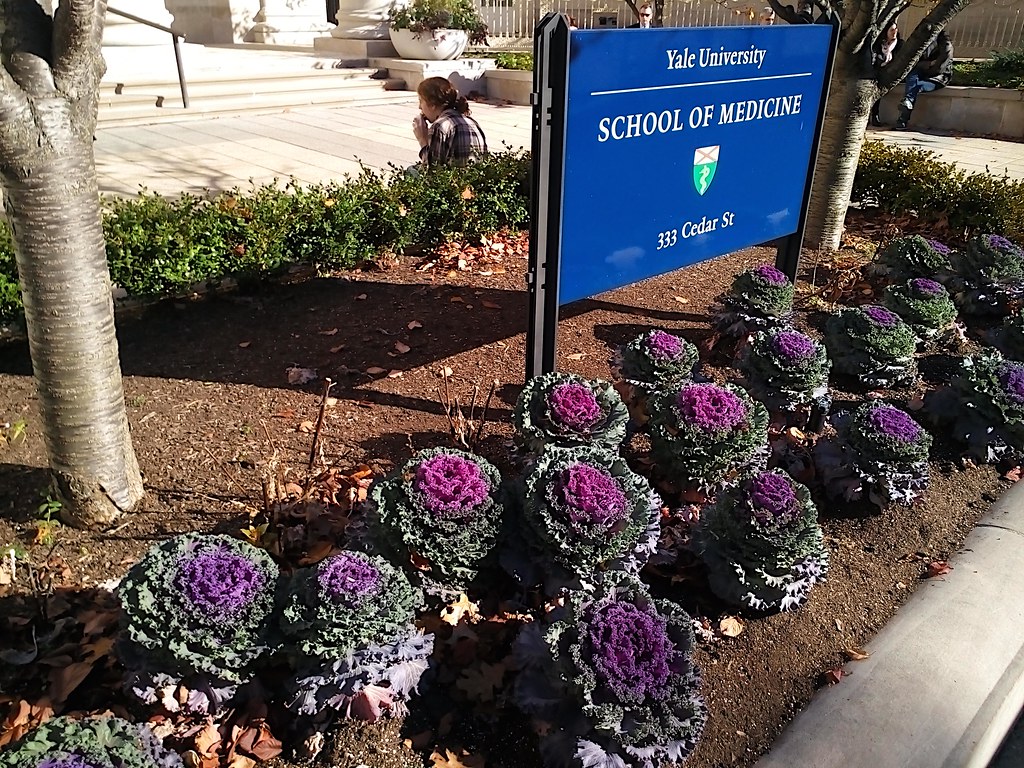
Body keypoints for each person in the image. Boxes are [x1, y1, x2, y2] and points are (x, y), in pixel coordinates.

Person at [411, 77, 488, 169]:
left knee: (411, 171)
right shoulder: (471, 122)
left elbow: (432, 172)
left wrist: (422, 141)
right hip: (476, 180)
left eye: (421, 101)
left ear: (432, 104)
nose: (419, 107)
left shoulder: (440, 126)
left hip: (454, 182)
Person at [896, 30, 953, 130]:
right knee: (912, 76)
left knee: (916, 86)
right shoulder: (921, 44)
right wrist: (929, 64)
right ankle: (907, 105)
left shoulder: (946, 46)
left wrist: (925, 66)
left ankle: (903, 118)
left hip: (937, 78)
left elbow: (939, 68)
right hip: (922, 74)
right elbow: (912, 63)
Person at [870, 22, 901, 127]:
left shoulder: (899, 44)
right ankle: (873, 115)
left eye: (896, 29)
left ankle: (875, 115)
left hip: (890, 73)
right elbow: (875, 59)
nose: (894, 32)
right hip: (877, 72)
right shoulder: (878, 45)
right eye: (892, 30)